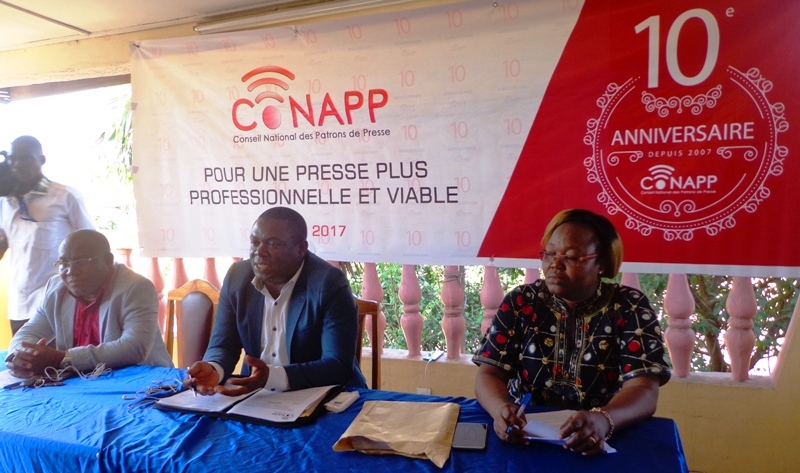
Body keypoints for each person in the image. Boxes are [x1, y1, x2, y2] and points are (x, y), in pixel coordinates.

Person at [473, 208, 670, 455]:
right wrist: (500, 409)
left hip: (600, 436)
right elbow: (489, 374)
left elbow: (644, 389)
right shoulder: (522, 301)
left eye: (571, 257)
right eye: (549, 253)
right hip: (525, 436)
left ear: (601, 263)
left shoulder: (628, 307)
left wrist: (604, 419)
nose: (555, 264)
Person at [188, 206, 366, 396]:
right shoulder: (237, 277)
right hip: (256, 396)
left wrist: (271, 377)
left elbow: (338, 365)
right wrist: (214, 369)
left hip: (323, 396)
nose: (260, 252)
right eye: (254, 242)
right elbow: (223, 344)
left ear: (301, 249)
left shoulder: (328, 283)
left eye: (273, 244)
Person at [5, 229, 172, 377]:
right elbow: (29, 332)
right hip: (81, 382)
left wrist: (63, 358)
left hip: (142, 381)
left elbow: (134, 348)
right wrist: (20, 357)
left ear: (108, 261)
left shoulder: (136, 287)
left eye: (81, 262)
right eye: (64, 263)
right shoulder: (56, 288)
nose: (71, 271)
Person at [0, 135, 94, 335]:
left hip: (57, 302)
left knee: (58, 355)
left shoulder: (65, 196)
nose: (17, 164)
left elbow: (92, 246)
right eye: (12, 159)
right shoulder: (5, 203)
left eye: (25, 158)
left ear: (41, 160)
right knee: (21, 355)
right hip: (19, 305)